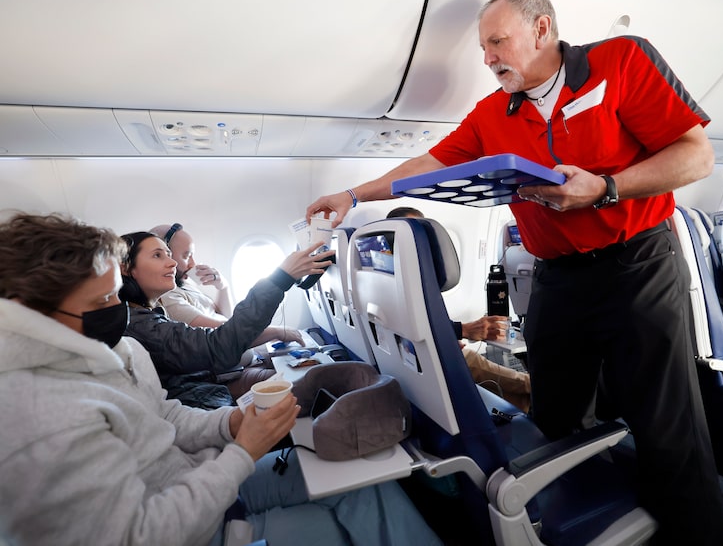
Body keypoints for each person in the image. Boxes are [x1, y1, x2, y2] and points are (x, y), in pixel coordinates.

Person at [308, 0, 723, 545]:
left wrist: (606, 188)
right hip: (557, 278)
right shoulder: (491, 115)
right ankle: (585, 523)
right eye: (484, 48)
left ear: (542, 29)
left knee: (667, 423)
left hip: (638, 265)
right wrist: (353, 196)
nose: (488, 59)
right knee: (555, 416)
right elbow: (427, 163)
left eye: (497, 42)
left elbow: (697, 154)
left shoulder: (620, 60)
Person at [0, 212, 442, 546]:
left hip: (199, 474)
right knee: (338, 523)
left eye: (117, 292)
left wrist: (230, 425)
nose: (119, 306)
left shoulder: (116, 347)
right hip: (198, 528)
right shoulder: (42, 418)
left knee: (366, 485)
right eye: (103, 299)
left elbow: (164, 414)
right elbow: (137, 536)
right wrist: (243, 452)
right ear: (31, 310)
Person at [119, 230, 334, 409]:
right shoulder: (141, 325)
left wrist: (223, 286)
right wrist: (280, 278)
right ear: (126, 268)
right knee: (322, 380)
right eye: (158, 256)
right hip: (204, 394)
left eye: (169, 254)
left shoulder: (151, 312)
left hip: (212, 382)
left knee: (312, 370)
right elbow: (218, 345)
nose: (173, 263)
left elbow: (225, 325)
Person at [386, 207, 531, 412]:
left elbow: (417, 321)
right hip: (414, 359)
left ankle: (529, 409)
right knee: (469, 362)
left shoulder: (410, 274)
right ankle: (539, 389)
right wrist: (460, 330)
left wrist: (448, 336)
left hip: (416, 353)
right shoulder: (395, 278)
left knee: (490, 380)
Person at [149, 223, 304, 345]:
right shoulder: (168, 298)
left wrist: (223, 286)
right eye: (186, 256)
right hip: (229, 371)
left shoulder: (185, 284)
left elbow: (228, 318)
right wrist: (277, 332)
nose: (193, 263)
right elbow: (224, 333)